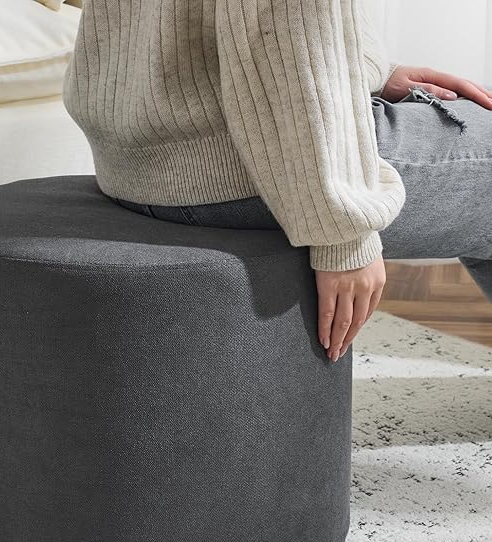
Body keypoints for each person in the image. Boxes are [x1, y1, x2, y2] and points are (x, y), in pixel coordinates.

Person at [62, 0, 492, 363]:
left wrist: (361, 67)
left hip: (141, 159)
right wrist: (344, 233)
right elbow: (282, 24)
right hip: (250, 164)